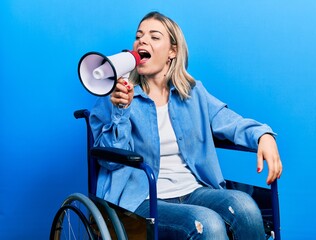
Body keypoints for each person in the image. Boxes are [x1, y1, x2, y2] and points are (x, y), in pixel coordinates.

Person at [90, 11, 282, 240]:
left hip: (194, 191)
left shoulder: (192, 92)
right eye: (139, 35)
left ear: (172, 51)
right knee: (207, 224)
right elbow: (109, 160)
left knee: (245, 207)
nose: (142, 40)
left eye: (154, 36)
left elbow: (230, 121)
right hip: (142, 199)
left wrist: (264, 136)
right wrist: (122, 110)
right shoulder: (115, 94)